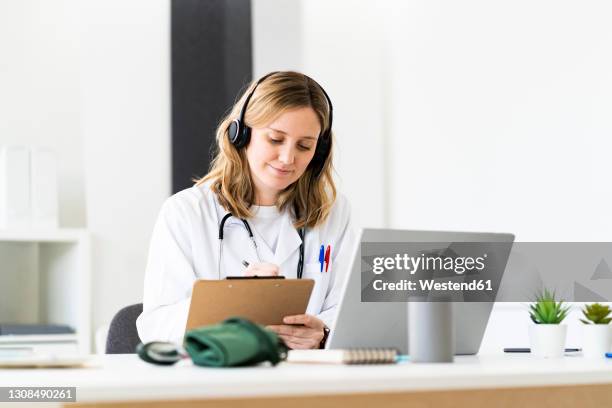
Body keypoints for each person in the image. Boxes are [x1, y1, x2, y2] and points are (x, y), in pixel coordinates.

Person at [136, 71, 355, 349]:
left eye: (304, 146)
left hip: (307, 380)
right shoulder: (186, 212)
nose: (288, 158)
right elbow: (156, 326)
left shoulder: (332, 211)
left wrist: (323, 333)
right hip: (219, 383)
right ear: (240, 134)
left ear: (319, 152)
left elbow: (348, 312)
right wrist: (231, 302)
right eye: (275, 139)